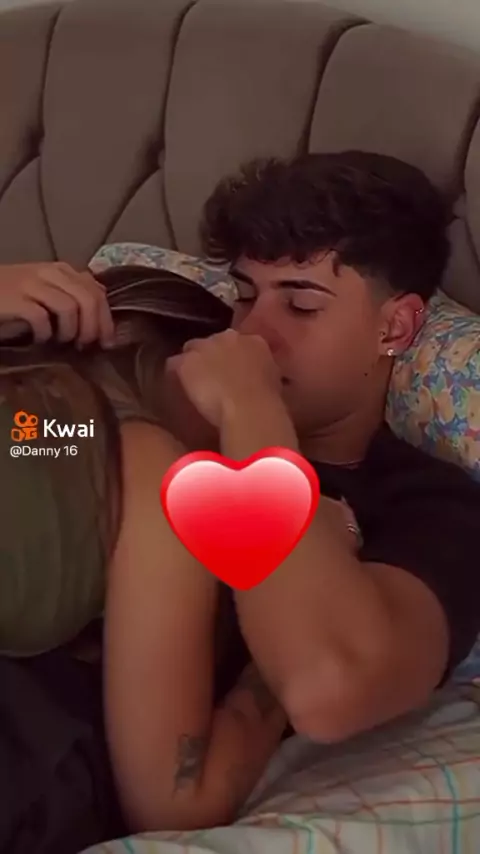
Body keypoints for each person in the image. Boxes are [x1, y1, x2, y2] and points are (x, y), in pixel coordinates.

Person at [1, 150, 480, 837]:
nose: (251, 333)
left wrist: (252, 416)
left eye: (302, 304)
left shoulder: (422, 507)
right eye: (246, 296)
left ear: (395, 327)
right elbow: (41, 439)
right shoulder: (168, 351)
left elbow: (328, 685)